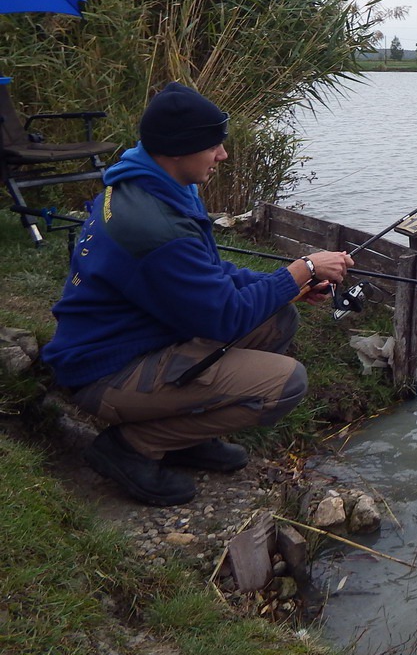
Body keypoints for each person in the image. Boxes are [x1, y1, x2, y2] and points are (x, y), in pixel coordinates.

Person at [42, 82, 354, 507]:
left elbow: (209, 274)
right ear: (178, 149)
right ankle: (133, 445)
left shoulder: (156, 185)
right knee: (285, 383)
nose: (223, 155)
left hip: (141, 335)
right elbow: (223, 318)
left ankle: (186, 434)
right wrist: (305, 268)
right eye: (213, 146)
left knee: (279, 318)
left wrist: (291, 285)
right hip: (105, 370)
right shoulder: (154, 227)